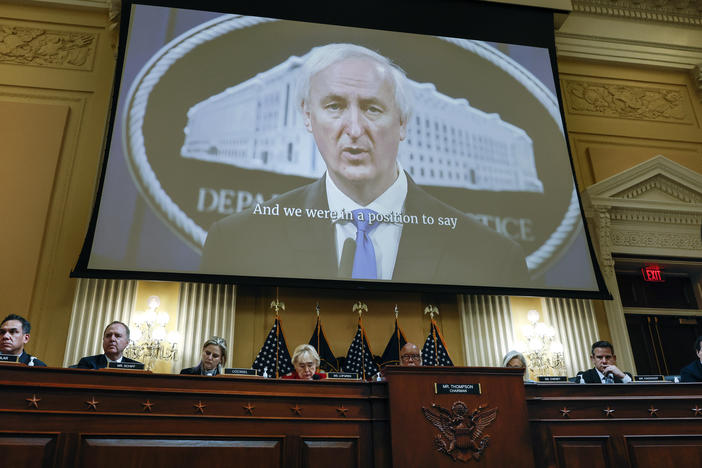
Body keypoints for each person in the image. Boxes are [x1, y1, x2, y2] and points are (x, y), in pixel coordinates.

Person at [201, 43, 528, 286]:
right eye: (334, 106)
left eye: (372, 109)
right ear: (307, 116)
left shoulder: (494, 257)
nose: (354, 129)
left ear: (402, 123)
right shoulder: (236, 241)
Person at [74, 321, 141, 369]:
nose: (112, 339)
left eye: (117, 336)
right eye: (108, 336)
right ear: (103, 340)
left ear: (127, 342)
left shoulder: (136, 367)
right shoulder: (88, 363)